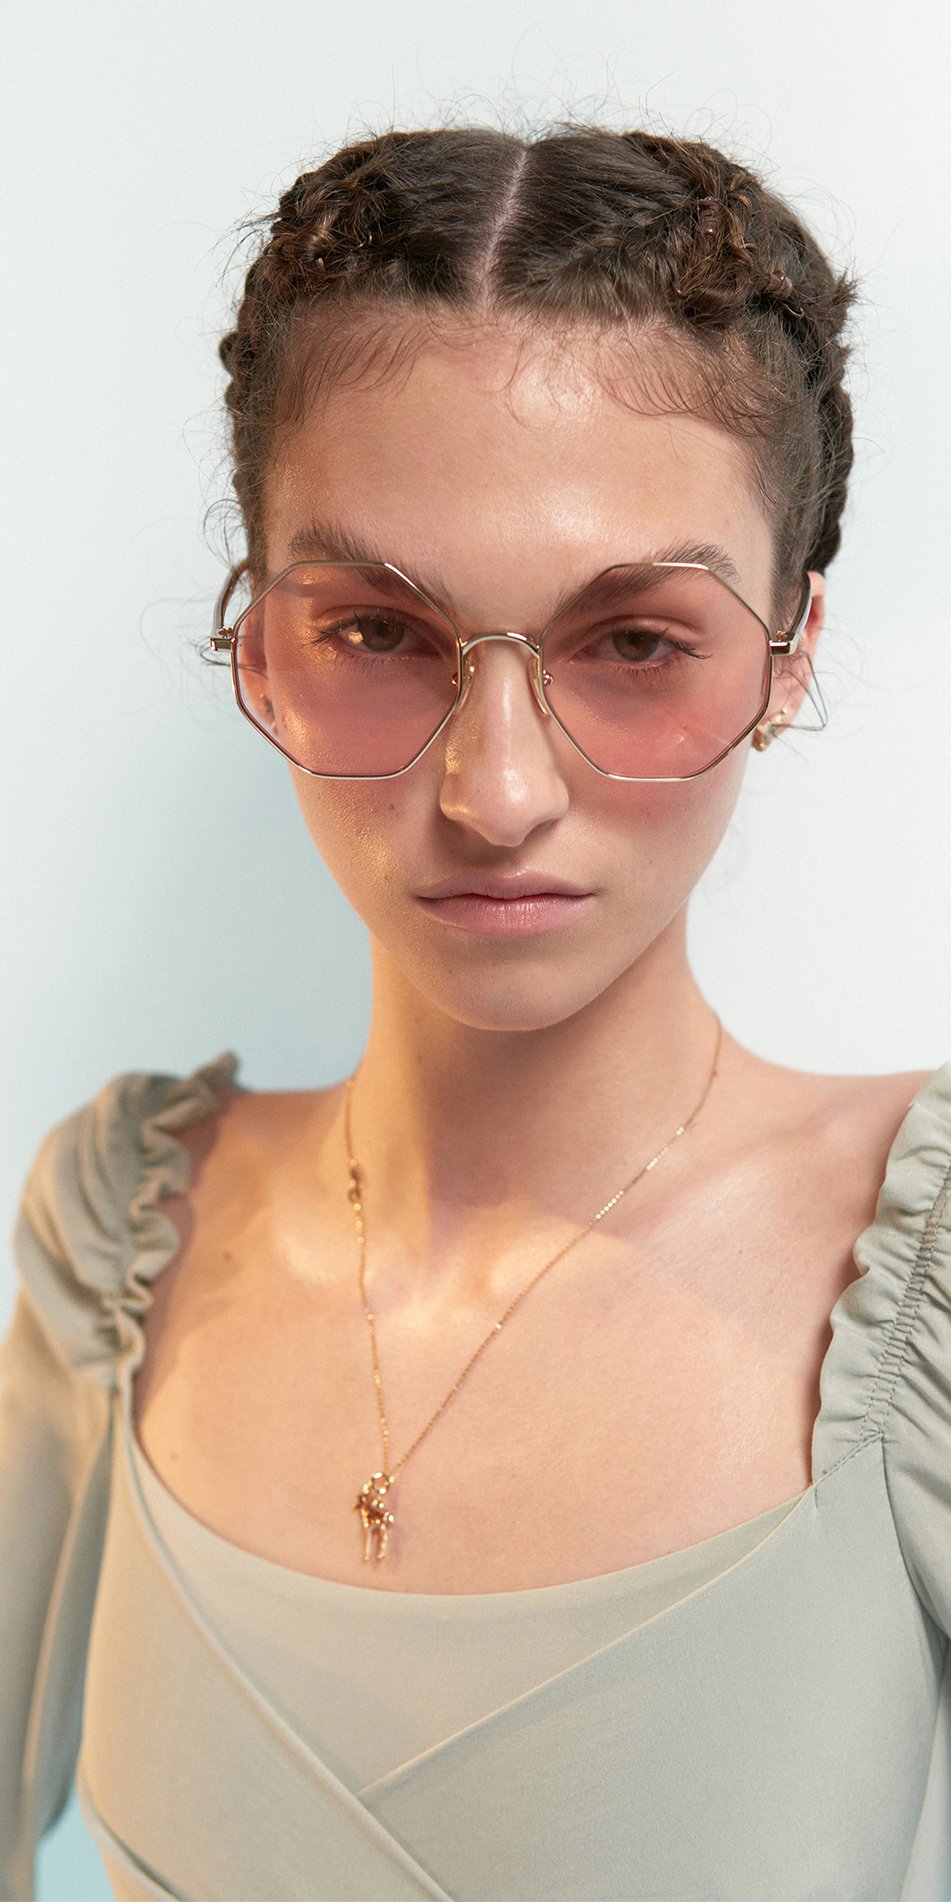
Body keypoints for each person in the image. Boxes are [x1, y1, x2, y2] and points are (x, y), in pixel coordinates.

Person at [1, 122, 949, 1902]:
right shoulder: (122, 1229)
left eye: (636, 639)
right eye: (378, 631)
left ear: (792, 651)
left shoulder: (928, 1297)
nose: (497, 792)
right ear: (256, 644)